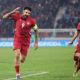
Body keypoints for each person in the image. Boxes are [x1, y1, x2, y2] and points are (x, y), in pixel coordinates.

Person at [3, 6, 39, 79]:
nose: (27, 14)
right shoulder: (16, 16)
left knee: (22, 60)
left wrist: (36, 42)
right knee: (17, 55)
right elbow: (4, 17)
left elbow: (36, 30)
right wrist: (12, 12)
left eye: (28, 13)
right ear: (23, 12)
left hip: (26, 42)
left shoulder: (32, 21)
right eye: (26, 12)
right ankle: (17, 74)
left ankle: (17, 60)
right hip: (17, 39)